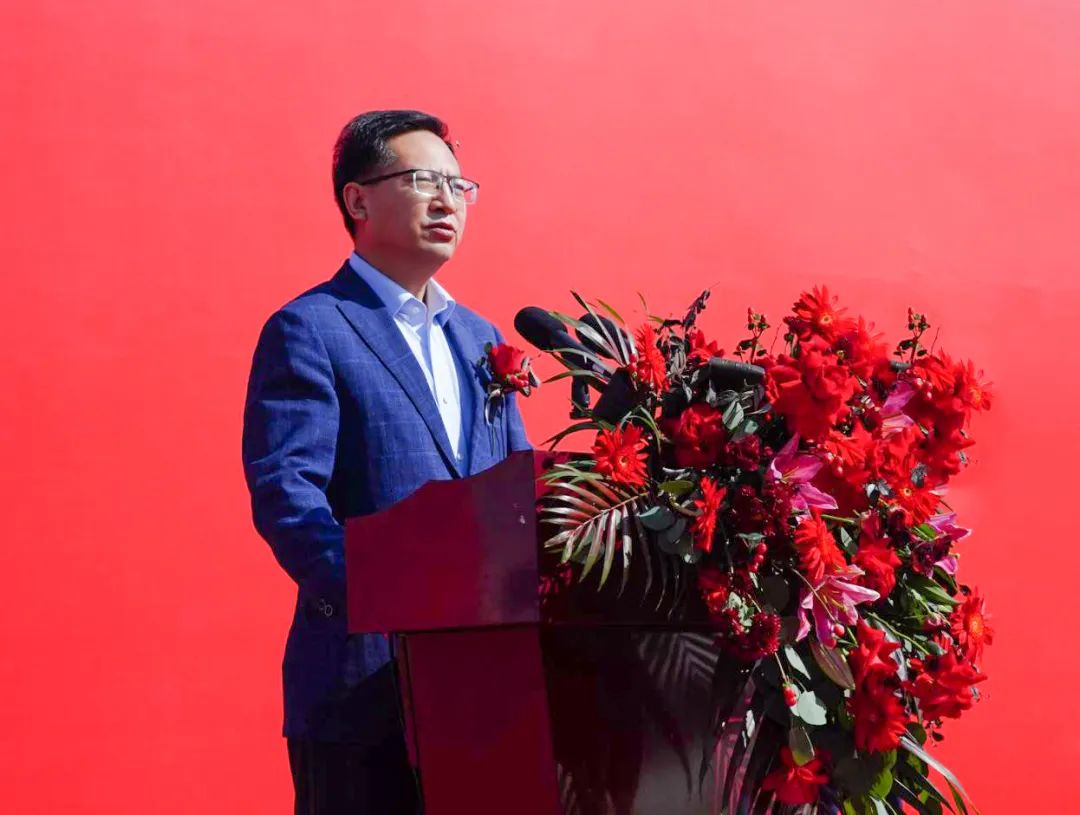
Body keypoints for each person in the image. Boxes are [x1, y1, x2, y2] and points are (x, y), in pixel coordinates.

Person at [242, 109, 530, 813]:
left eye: (460, 186)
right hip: (362, 692)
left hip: (483, 695)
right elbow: (288, 496)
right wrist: (385, 599)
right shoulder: (311, 328)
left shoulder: (480, 339)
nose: (448, 201)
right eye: (424, 180)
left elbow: (518, 492)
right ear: (358, 200)